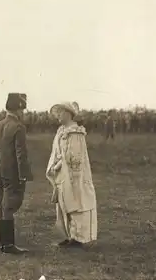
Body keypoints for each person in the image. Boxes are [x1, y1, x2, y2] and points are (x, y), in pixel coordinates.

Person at [46, 101, 98, 248]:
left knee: (76, 201)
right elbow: (57, 153)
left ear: (68, 114)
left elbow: (73, 157)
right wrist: (55, 165)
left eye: (60, 113)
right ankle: (67, 234)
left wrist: (59, 164)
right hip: (61, 173)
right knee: (63, 202)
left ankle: (78, 237)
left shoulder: (75, 133)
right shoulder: (61, 131)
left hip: (74, 175)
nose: (57, 116)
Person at [0, 93, 33, 254]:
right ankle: (8, 245)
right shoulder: (19, 127)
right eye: (22, 110)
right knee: (8, 206)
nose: (23, 113)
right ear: (18, 109)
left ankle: (3, 243)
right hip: (11, 171)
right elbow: (21, 154)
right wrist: (24, 175)